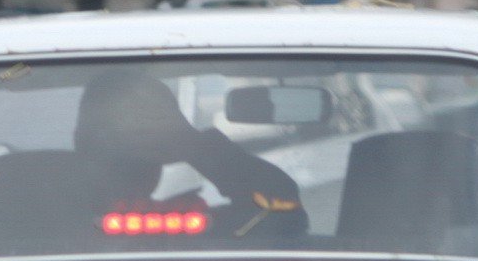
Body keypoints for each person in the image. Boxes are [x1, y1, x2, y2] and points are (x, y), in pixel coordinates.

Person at [71, 69, 307, 241]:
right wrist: (195, 145)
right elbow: (282, 213)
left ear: (79, 137)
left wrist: (192, 143)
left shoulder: (39, 224)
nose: (140, 140)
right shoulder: (200, 227)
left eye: (155, 127)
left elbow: (285, 214)